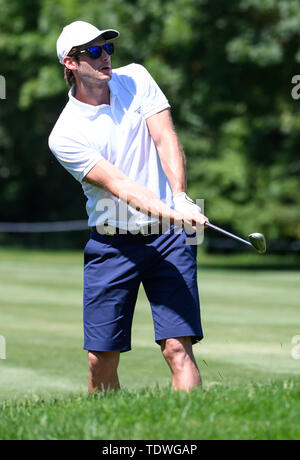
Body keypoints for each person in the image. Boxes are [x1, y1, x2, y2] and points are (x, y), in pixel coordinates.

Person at [49, 20, 209, 393]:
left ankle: (193, 433)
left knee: (177, 347)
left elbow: (165, 135)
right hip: (112, 244)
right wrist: (175, 212)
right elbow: (120, 185)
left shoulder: (136, 78)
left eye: (107, 49)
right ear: (70, 64)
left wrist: (181, 197)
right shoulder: (66, 133)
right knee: (100, 358)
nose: (105, 57)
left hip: (168, 240)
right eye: (93, 51)